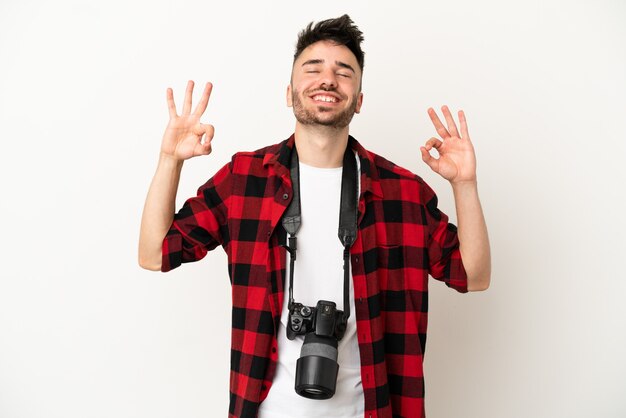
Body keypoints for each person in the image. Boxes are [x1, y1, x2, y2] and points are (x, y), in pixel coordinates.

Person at [138, 14, 490, 418]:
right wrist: (170, 160)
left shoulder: (401, 191)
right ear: (289, 93)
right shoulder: (245, 179)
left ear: (358, 100)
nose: (328, 80)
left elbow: (474, 275)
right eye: (313, 68)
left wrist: (465, 185)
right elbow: (154, 253)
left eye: (344, 73)